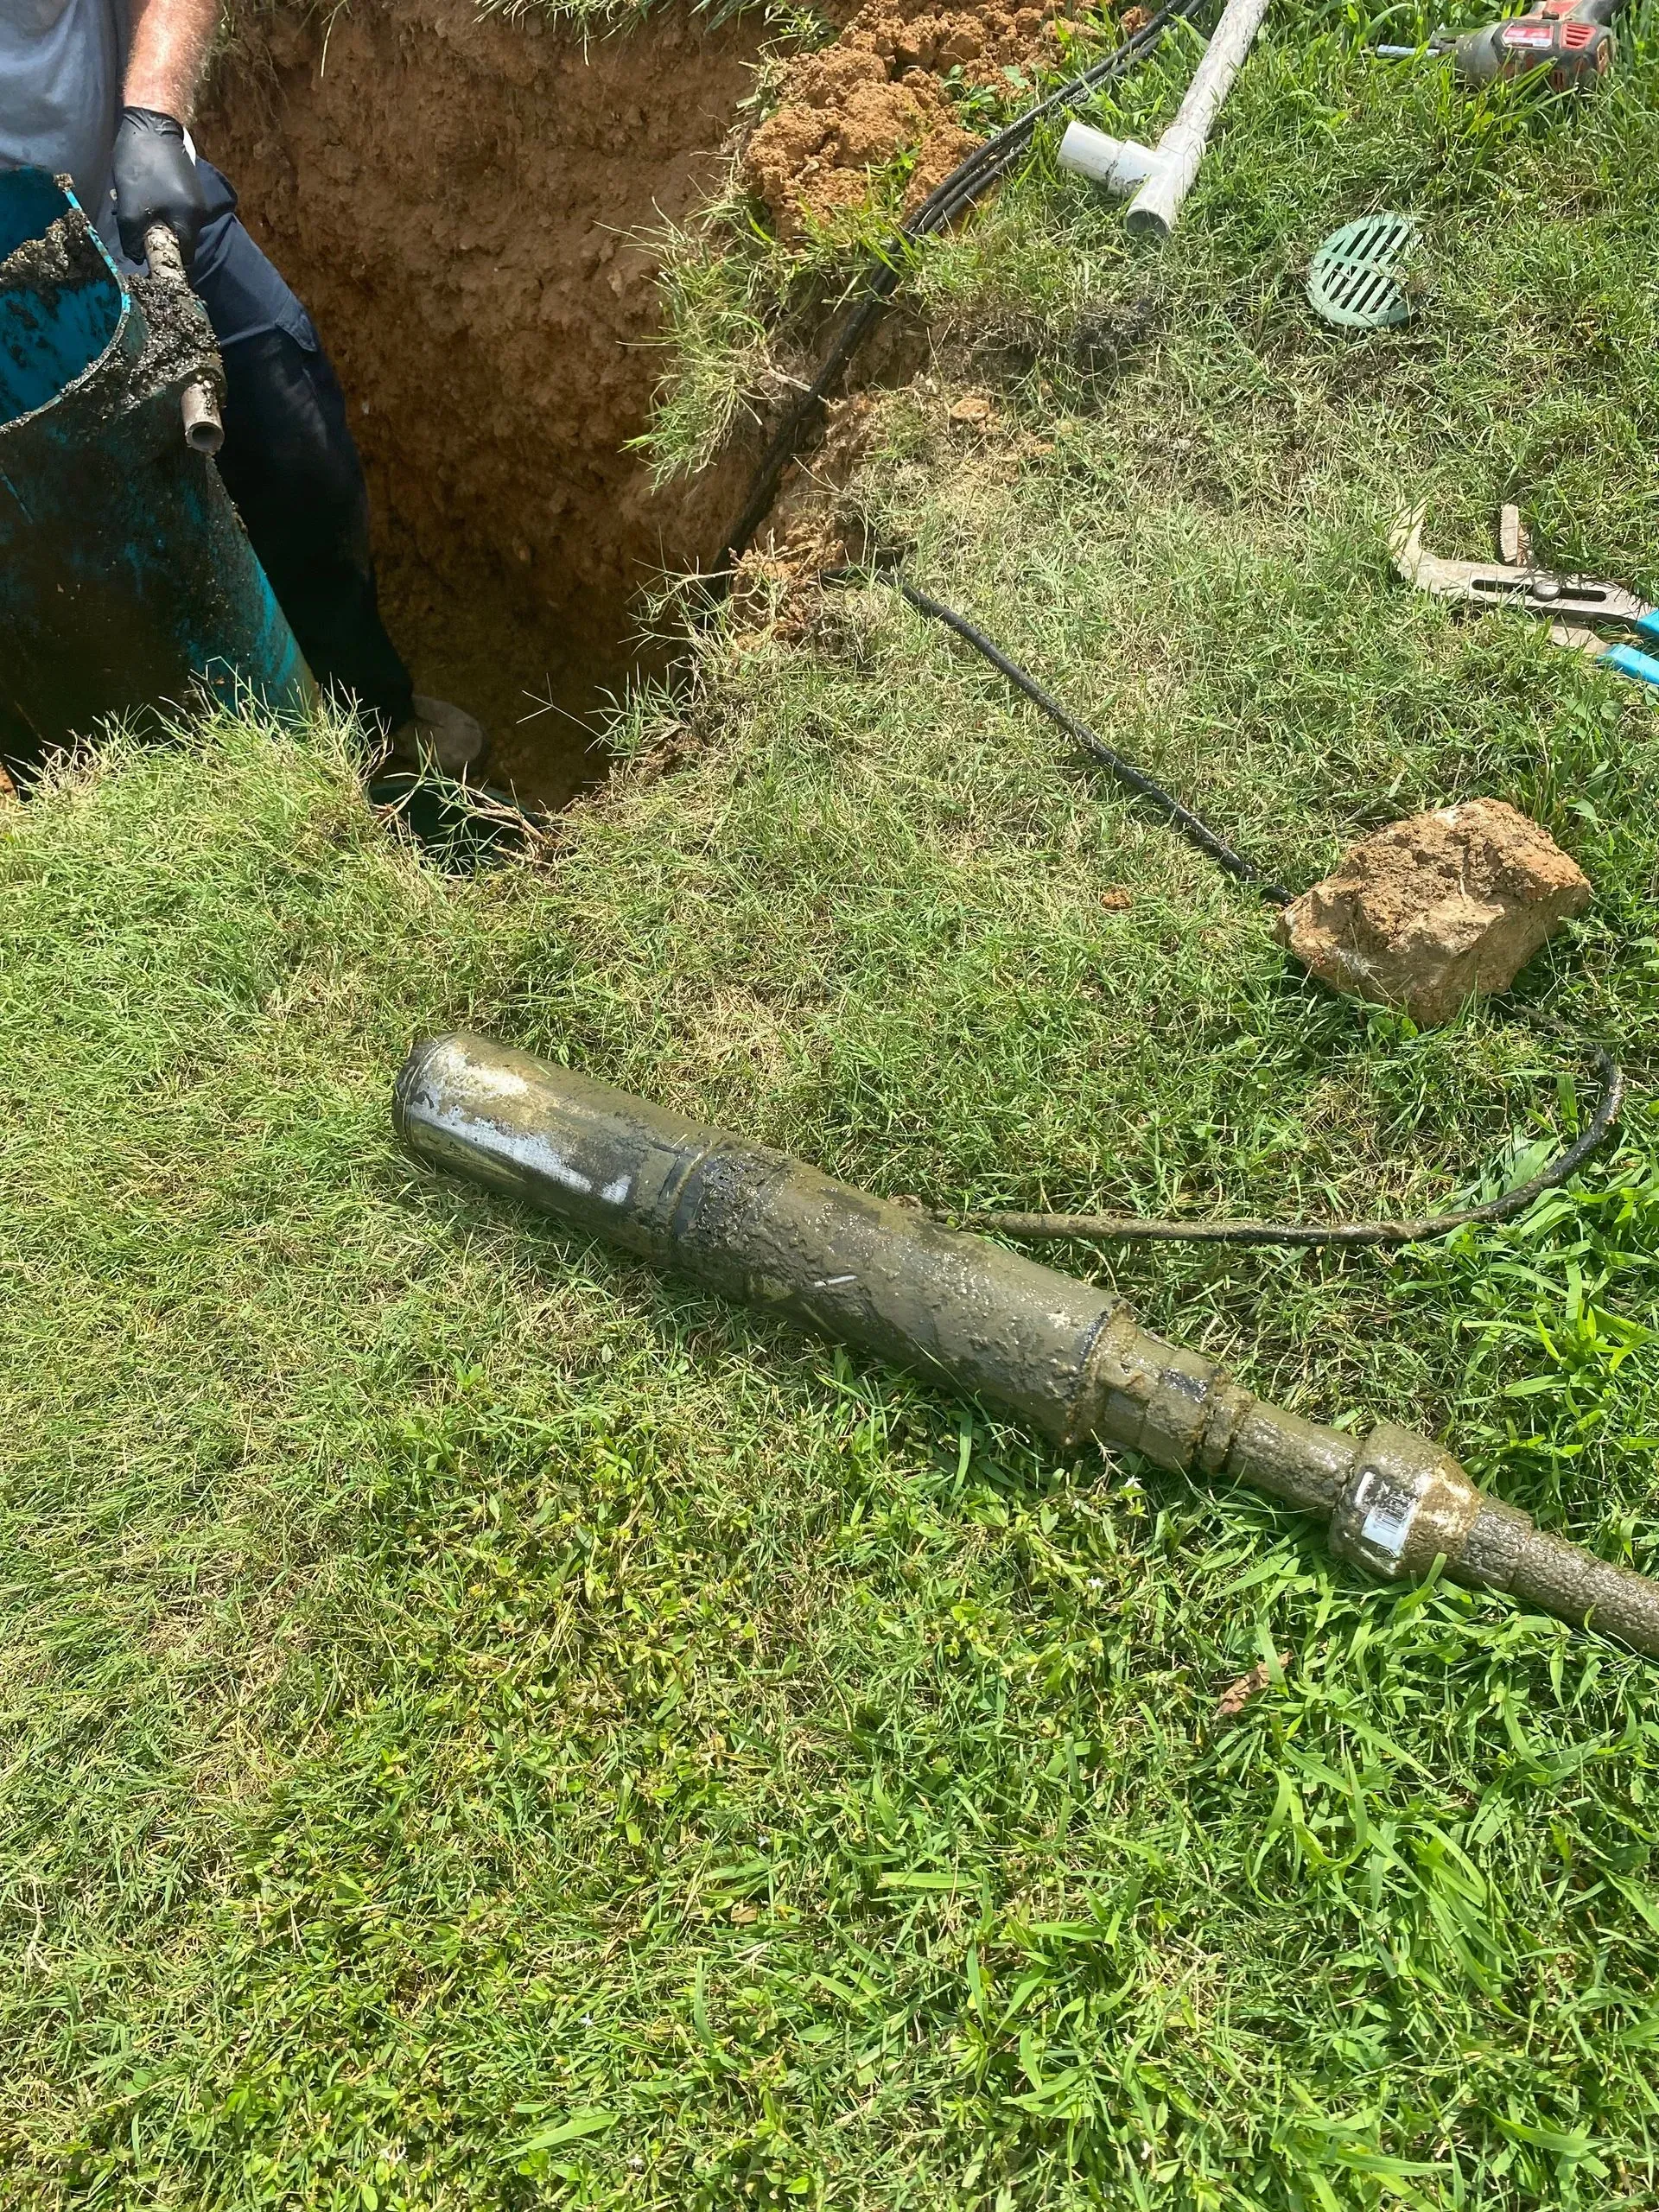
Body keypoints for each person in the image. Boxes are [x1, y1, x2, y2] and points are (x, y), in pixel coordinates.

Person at [0, 0, 484, 774]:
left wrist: (154, 113)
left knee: (300, 454)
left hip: (138, 193)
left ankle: (373, 729)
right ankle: (158, 788)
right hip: (19, 303)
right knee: (72, 575)